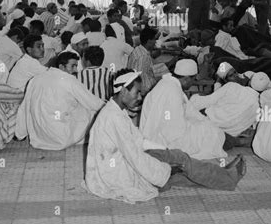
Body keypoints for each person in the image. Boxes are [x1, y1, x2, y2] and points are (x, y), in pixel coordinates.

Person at [83, 70, 246, 204]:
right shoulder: (114, 118)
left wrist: (165, 151)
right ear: (124, 90)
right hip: (119, 174)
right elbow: (134, 157)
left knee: (177, 165)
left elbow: (138, 141)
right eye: (137, 92)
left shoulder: (115, 110)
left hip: (122, 164)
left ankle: (222, 175)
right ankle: (225, 177)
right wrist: (164, 169)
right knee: (180, 162)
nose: (139, 97)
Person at [15, 52, 105, 150]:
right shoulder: (68, 79)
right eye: (73, 66)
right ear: (61, 67)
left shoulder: (35, 79)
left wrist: (20, 134)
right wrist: (111, 106)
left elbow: (24, 108)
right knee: (91, 110)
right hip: (61, 137)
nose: (75, 70)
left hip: (39, 137)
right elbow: (93, 103)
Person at [140, 59, 227, 160]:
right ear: (186, 79)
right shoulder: (172, 91)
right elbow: (173, 132)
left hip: (157, 134)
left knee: (208, 126)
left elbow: (188, 110)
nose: (193, 84)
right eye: (193, 80)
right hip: (161, 141)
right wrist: (196, 125)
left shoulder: (168, 83)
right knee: (212, 133)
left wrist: (202, 120)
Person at [191, 63, 271, 138]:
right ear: (225, 80)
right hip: (229, 130)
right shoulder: (228, 86)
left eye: (235, 72)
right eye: (231, 75)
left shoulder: (248, 75)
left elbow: (262, 81)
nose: (235, 76)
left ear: (250, 82)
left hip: (217, 124)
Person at [127, 26, 158, 96]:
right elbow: (140, 80)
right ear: (149, 41)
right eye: (154, 39)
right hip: (143, 92)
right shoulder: (143, 56)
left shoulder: (138, 49)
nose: (155, 42)